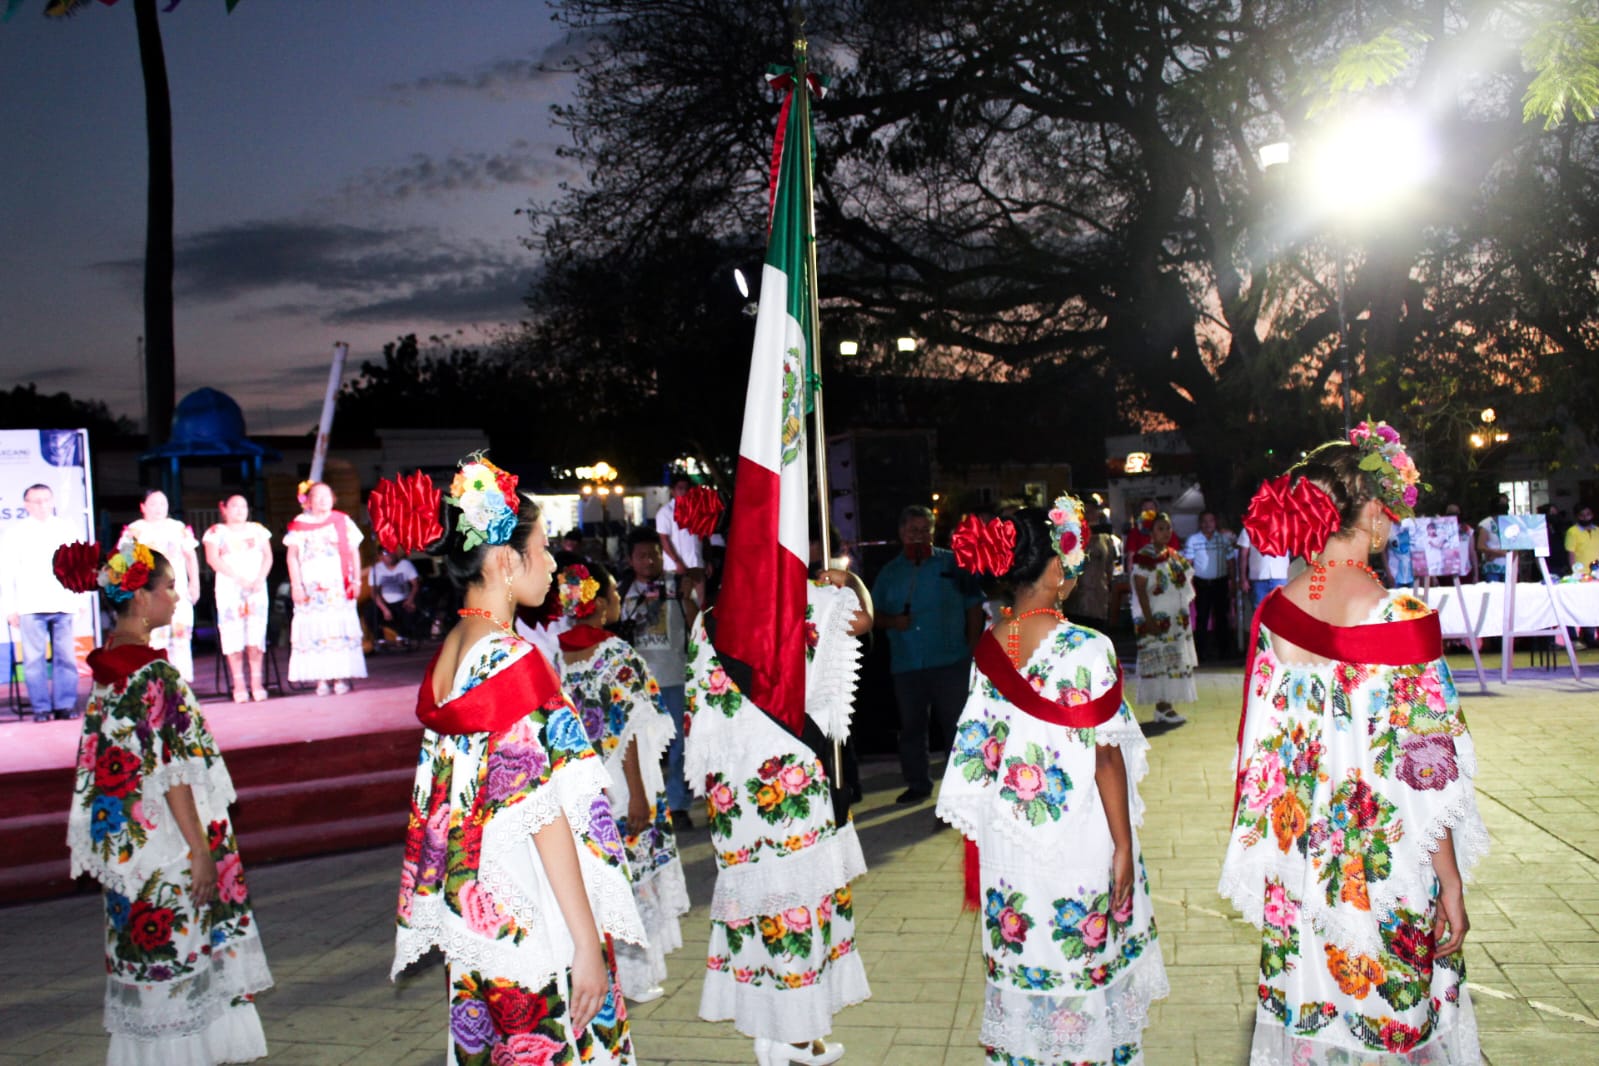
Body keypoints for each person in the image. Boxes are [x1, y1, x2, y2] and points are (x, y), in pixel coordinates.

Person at [1220, 420, 1487, 1063]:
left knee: (1312, 1018)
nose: (1392, 520)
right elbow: (1427, 772)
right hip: (1381, 865)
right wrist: (1449, 880)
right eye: (1389, 508)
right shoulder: (1400, 618)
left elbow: (1261, 754)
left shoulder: (1278, 612)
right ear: (1369, 511)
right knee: (1389, 1018)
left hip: (1302, 866)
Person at [383, 454, 641, 1064]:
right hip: (531, 903)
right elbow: (543, 811)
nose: (553, 563)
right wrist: (585, 941)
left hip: (477, 905)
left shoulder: (453, 649)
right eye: (544, 548)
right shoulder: (513, 660)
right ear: (504, 561)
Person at [938, 498, 1168, 1064]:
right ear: (1052, 568)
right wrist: (1123, 844)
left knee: (1027, 957)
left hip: (1009, 843)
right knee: (1083, 959)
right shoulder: (1088, 647)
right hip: (1078, 835)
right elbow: (1106, 757)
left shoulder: (991, 645)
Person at [61, 538, 273, 1063]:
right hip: (170, 844)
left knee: (146, 953)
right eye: (170, 588)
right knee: (178, 948)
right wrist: (199, 850)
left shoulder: (108, 670)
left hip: (128, 847)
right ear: (141, 597)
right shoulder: (154, 675)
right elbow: (174, 772)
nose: (177, 598)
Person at [685, 568, 872, 1066]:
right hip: (786, 784)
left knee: (758, 907)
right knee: (796, 905)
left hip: (732, 795)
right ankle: (793, 1036)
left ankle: (770, 1031)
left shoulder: (708, 619)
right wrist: (849, 580)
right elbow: (860, 619)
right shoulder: (800, 603)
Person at [557, 561, 690, 1004]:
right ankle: (633, 976)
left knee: (601, 878)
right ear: (597, 602)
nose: (617, 599)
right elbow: (629, 729)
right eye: (613, 593)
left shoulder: (559, 655)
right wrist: (637, 794)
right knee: (634, 875)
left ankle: (605, 972)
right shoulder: (615, 653)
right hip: (623, 780)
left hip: (585, 783)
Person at [871, 504, 985, 803]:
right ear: (901, 533)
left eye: (925, 530)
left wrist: (973, 646)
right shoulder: (889, 573)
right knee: (911, 728)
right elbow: (871, 614)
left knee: (956, 725)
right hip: (907, 662)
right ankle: (918, 783)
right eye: (913, 531)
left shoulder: (954, 563)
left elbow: (974, 605)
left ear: (933, 532)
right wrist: (893, 621)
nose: (919, 536)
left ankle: (961, 787)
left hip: (950, 660)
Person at [617, 527, 696, 829]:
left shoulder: (677, 584)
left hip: (675, 676)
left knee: (680, 745)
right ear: (630, 560)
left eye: (654, 554)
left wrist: (687, 596)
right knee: (642, 746)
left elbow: (695, 622)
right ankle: (648, 802)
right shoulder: (621, 590)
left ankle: (678, 804)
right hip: (636, 682)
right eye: (642, 556)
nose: (649, 561)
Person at [2, 483, 83, 721]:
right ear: (26, 505)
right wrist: (9, 608)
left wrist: (81, 598)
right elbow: (6, 573)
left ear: (52, 501)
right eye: (36, 501)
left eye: (46, 500)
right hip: (30, 604)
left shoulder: (66, 528)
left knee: (66, 658)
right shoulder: (15, 533)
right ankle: (41, 708)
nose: (42, 505)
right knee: (33, 660)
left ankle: (64, 704)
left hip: (63, 601)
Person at [284, 482, 366, 695]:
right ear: (308, 501)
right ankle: (321, 679)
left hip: (339, 585)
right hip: (311, 588)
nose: (322, 500)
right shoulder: (301, 523)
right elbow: (292, 557)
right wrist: (296, 585)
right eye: (317, 496)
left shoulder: (342, 521)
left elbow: (354, 552)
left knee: (337, 629)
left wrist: (357, 581)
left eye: (327, 495)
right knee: (316, 630)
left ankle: (340, 677)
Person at [121, 489, 200, 681]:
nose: (159, 508)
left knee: (181, 637)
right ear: (143, 507)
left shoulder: (178, 528)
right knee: (154, 639)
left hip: (176, 591)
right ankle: (155, 684)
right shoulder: (134, 531)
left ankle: (180, 683)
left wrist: (195, 583)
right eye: (153, 504)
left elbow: (191, 557)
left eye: (163, 503)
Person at [202, 495, 273, 703]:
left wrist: (260, 578)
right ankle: (239, 684)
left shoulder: (257, 530)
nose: (240, 510)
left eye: (243, 506)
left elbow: (268, 556)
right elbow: (212, 559)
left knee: (255, 634)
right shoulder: (216, 532)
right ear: (224, 509)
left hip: (256, 587)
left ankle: (257, 683)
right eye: (234, 506)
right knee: (233, 635)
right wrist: (237, 578)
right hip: (230, 587)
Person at [1131, 513, 1197, 725]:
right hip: (1156, 617)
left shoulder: (1173, 555)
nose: (1166, 532)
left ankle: (1167, 706)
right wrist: (1149, 619)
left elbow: (1185, 582)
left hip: (1174, 619)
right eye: (1160, 528)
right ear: (1151, 532)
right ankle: (1161, 707)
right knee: (1158, 660)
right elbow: (1140, 589)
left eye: (1168, 528)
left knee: (1171, 661)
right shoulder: (1145, 557)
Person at [1185, 510, 1235, 660]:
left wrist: (1233, 581)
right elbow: (1188, 563)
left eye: (1211, 521)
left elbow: (1230, 561)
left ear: (1215, 522)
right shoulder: (1193, 540)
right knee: (1202, 617)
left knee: (1221, 617)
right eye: (1205, 521)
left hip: (1220, 581)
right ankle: (1200, 653)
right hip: (1201, 582)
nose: (1208, 524)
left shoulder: (1223, 540)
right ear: (1200, 523)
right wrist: (1188, 584)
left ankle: (1224, 651)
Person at [1062, 516, 1116, 630]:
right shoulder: (1071, 539)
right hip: (1075, 599)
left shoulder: (1105, 540)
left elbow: (1109, 568)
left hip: (1097, 598)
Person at [366, 548, 423, 649]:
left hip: (403, 600)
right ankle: (380, 639)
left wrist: (410, 599)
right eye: (386, 554)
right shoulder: (376, 569)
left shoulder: (405, 565)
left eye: (391, 552)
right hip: (385, 602)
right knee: (370, 611)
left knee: (409, 609)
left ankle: (403, 636)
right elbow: (374, 592)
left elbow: (415, 585)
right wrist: (384, 609)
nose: (390, 556)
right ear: (380, 557)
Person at [1236, 523, 1291, 614]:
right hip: (1258, 579)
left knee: (1280, 613)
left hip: (1280, 578)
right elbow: (1243, 555)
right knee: (1259, 613)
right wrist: (1243, 579)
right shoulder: (1249, 528)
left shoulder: (1285, 527)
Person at [655, 473, 703, 576]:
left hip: (697, 564)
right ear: (672, 491)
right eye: (680, 488)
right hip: (676, 568)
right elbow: (664, 539)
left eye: (687, 489)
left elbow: (703, 537)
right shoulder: (666, 512)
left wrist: (707, 560)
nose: (684, 492)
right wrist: (677, 562)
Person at [1474, 494, 1510, 582]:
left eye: (1506, 503)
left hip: (1508, 567)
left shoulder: (1511, 523)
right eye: (1502, 503)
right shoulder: (1486, 524)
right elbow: (1480, 546)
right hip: (1492, 567)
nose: (1504, 506)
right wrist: (1499, 553)